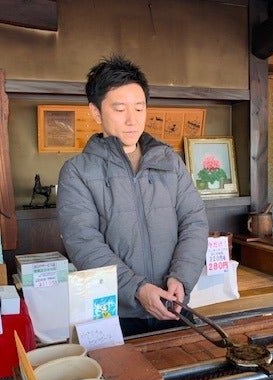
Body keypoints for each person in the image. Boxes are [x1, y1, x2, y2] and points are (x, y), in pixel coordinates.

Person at [57, 55, 209, 336]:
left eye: (139, 108)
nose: (132, 120)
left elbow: (194, 222)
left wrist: (181, 278)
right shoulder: (77, 171)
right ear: (95, 112)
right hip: (118, 313)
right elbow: (84, 243)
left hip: (174, 305)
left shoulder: (170, 162)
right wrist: (137, 289)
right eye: (119, 109)